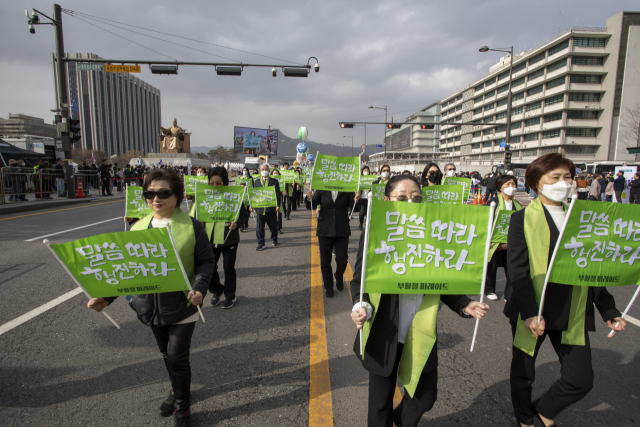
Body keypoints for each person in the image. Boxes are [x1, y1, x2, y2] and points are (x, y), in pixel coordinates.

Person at [350, 175, 489, 427]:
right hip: (385, 331)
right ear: (386, 200)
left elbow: (442, 279)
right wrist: (361, 306)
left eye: (416, 198)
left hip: (420, 331)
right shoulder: (374, 233)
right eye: (402, 198)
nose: (410, 203)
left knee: (425, 398)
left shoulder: (434, 233)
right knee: (379, 404)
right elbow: (360, 281)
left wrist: (463, 304)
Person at [505, 153, 626, 427]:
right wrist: (530, 312)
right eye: (555, 177)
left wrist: (607, 307)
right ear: (537, 183)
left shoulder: (583, 220)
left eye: (568, 177)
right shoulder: (521, 219)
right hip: (533, 308)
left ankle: (544, 411)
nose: (563, 182)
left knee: (580, 379)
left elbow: (592, 267)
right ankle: (525, 420)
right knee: (524, 372)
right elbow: (518, 271)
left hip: (573, 307)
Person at [97, 168, 214, 426]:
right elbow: (126, 271)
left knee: (176, 356)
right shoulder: (137, 228)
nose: (156, 198)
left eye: (163, 192)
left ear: (178, 195)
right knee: (165, 354)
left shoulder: (193, 226)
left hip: (184, 304)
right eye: (149, 193)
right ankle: (176, 389)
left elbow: (206, 262)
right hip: (150, 307)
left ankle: (182, 406)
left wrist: (200, 289)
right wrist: (105, 298)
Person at [203, 167, 246, 309]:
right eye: (212, 183)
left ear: (225, 183)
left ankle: (230, 296)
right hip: (210, 239)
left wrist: (237, 224)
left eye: (218, 183)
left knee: (228, 268)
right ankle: (217, 289)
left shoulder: (234, 196)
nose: (214, 186)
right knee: (208, 268)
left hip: (229, 238)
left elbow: (243, 214)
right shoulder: (204, 196)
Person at [307, 186, 356, 298]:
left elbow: (354, 208)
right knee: (325, 262)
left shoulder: (347, 189)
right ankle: (328, 287)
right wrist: (308, 198)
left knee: (342, 260)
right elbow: (312, 205)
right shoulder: (322, 187)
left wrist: (356, 201)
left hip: (342, 229)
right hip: (325, 229)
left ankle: (339, 276)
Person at [484, 174, 522, 301]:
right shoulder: (494, 202)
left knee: (511, 269)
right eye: (508, 184)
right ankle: (489, 290)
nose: (511, 187)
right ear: (500, 187)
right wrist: (487, 238)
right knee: (492, 267)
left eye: (513, 184)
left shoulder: (517, 204)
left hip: (511, 242)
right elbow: (485, 221)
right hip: (495, 241)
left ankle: (509, 293)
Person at [250, 163, 281, 250]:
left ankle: (274, 239)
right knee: (259, 228)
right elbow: (254, 195)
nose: (264, 171)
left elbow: (277, 195)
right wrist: (251, 206)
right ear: (260, 171)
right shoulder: (256, 182)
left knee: (273, 226)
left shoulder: (274, 182)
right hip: (260, 209)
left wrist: (278, 205)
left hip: (271, 208)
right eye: (263, 169)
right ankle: (261, 243)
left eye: (266, 169)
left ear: (269, 171)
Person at [357, 166, 371, 231]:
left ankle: (367, 225)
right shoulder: (360, 179)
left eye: (367, 170)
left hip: (370, 198)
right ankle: (361, 223)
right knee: (362, 213)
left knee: (368, 213)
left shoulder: (372, 179)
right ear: (362, 171)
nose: (366, 171)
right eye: (364, 170)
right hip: (362, 198)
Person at [271, 168, 285, 234]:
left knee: (279, 214)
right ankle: (273, 227)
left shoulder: (281, 180)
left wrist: (283, 192)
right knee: (272, 215)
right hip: (271, 200)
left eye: (277, 173)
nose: (276, 174)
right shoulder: (270, 181)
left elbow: (282, 189)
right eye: (274, 173)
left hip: (279, 199)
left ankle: (279, 228)